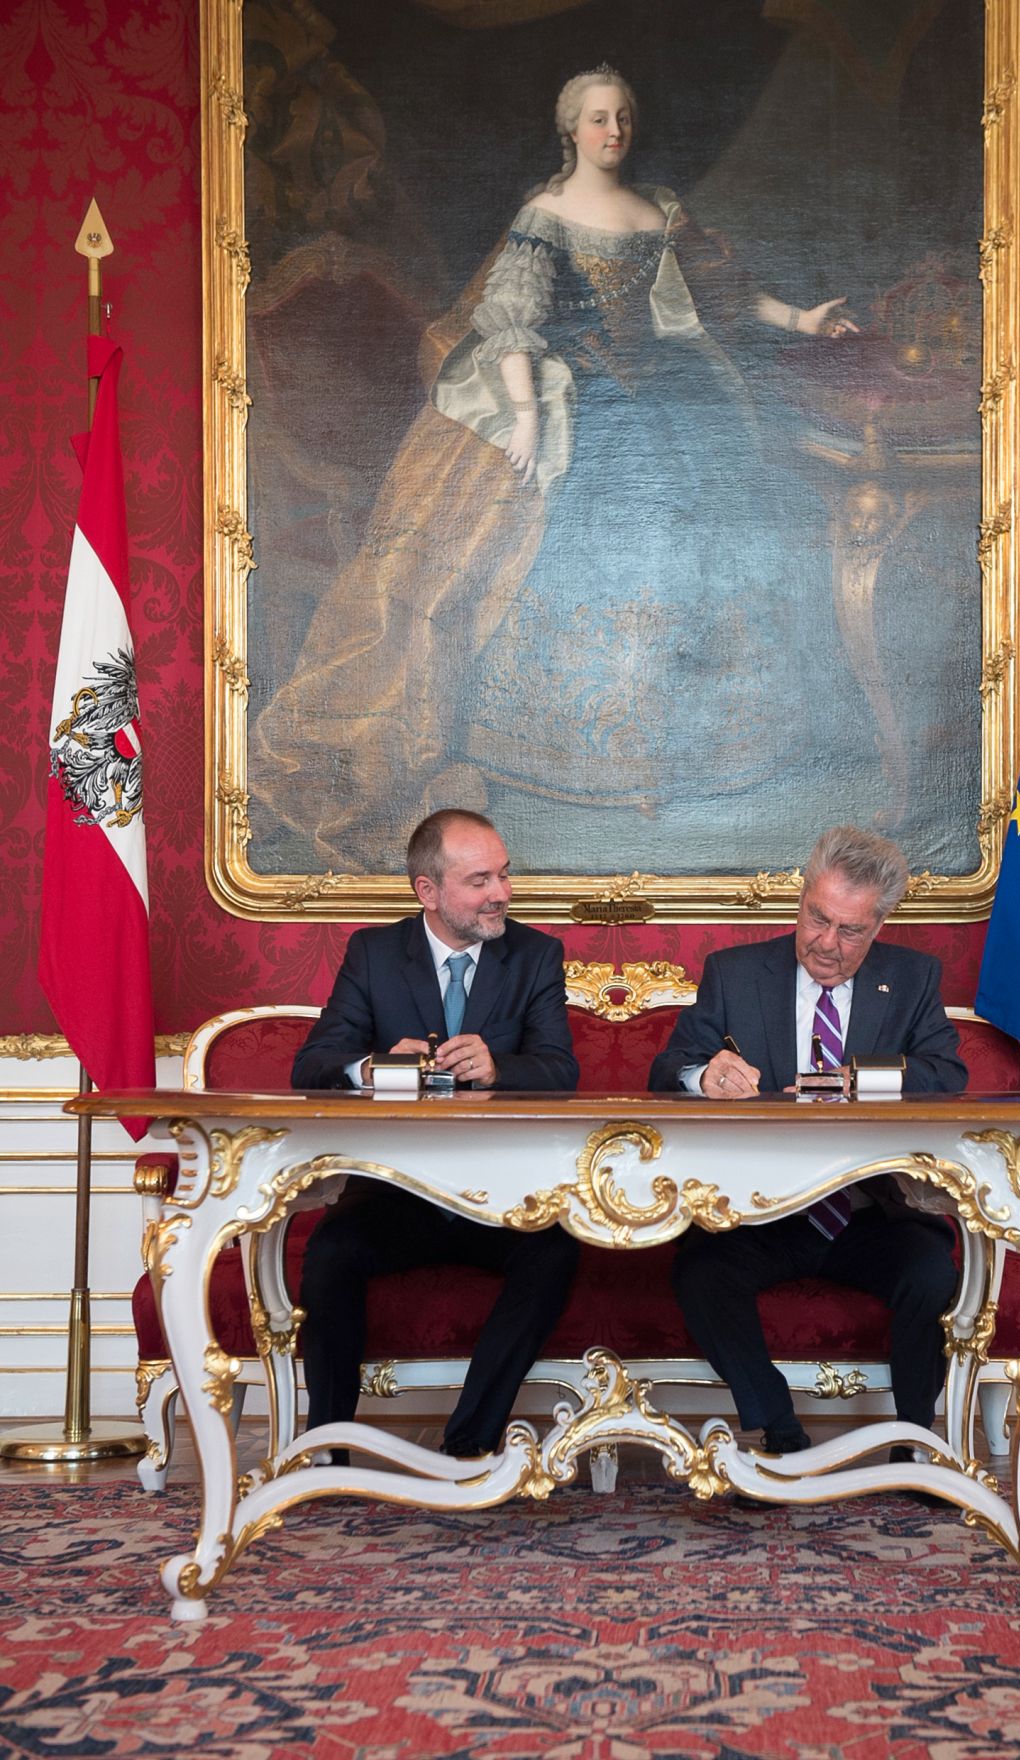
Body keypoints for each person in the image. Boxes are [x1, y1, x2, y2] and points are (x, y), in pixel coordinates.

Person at [255, 65, 860, 873]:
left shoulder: (661, 210)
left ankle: (701, 748)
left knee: (710, 536)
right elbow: (507, 320)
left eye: (622, 118)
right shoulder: (545, 214)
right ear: (569, 129)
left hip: (668, 402)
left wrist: (802, 318)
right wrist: (528, 418)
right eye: (597, 119)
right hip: (575, 398)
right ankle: (554, 748)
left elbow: (719, 295)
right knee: (557, 543)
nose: (612, 131)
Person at [650, 824, 967, 1456]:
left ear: (880, 925)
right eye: (817, 918)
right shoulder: (735, 974)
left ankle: (915, 1442)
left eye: (850, 931)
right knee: (700, 1275)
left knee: (932, 1278)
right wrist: (702, 1074)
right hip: (760, 1211)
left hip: (868, 1209)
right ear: (801, 900)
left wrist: (857, 1080)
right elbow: (667, 1067)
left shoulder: (910, 979)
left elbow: (946, 1074)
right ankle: (779, 1433)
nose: (826, 943)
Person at [293, 807, 579, 1458]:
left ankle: (468, 1446)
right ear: (428, 890)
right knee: (331, 1254)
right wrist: (372, 1067)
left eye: (503, 876)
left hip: (502, 1199)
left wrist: (498, 1067)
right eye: (480, 880)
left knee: (555, 1254)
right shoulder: (373, 954)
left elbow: (561, 1069)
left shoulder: (534, 956)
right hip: (398, 1196)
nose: (500, 893)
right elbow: (311, 1064)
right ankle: (328, 1444)